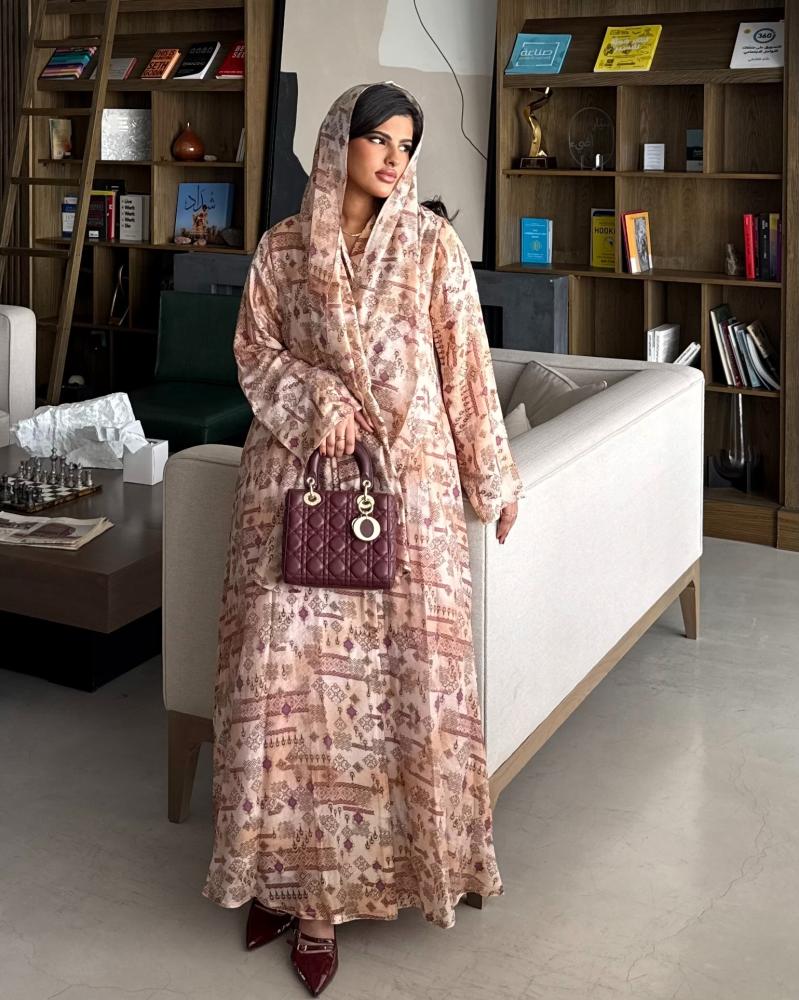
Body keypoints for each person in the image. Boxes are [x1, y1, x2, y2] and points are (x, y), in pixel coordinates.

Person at [202, 81, 525, 996]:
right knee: (284, 691)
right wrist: (318, 395)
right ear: (337, 140)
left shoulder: (429, 244)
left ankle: (371, 885)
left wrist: (492, 479)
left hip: (405, 496)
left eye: (405, 145)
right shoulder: (281, 248)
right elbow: (255, 352)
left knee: (399, 692)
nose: (393, 157)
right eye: (378, 138)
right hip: (294, 488)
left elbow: (465, 369)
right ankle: (284, 883)